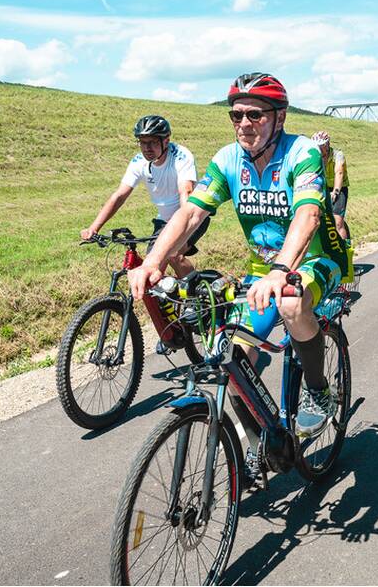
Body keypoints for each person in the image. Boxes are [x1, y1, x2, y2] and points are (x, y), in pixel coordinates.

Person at [127, 72, 346, 439]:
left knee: (291, 303)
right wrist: (153, 262)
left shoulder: (301, 152)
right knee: (231, 361)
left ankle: (318, 389)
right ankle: (264, 447)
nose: (244, 124)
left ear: (280, 116)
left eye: (255, 115)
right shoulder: (229, 159)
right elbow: (191, 212)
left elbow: (308, 214)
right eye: (236, 115)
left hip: (315, 259)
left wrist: (280, 270)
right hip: (262, 269)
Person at [82, 115, 208, 279]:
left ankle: (195, 290)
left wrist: (183, 231)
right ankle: (169, 294)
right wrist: (94, 228)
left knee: (172, 253)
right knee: (150, 269)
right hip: (164, 221)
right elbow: (119, 196)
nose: (147, 148)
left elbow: (186, 192)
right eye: (142, 142)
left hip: (192, 215)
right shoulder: (138, 161)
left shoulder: (181, 156)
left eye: (153, 142)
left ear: (166, 141)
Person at [311, 131, 351, 241]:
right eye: (317, 146)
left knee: (337, 222)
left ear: (327, 144)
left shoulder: (337, 155)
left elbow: (339, 173)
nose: (320, 149)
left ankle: (345, 247)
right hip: (323, 187)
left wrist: (336, 191)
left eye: (322, 146)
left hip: (339, 188)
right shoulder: (315, 156)